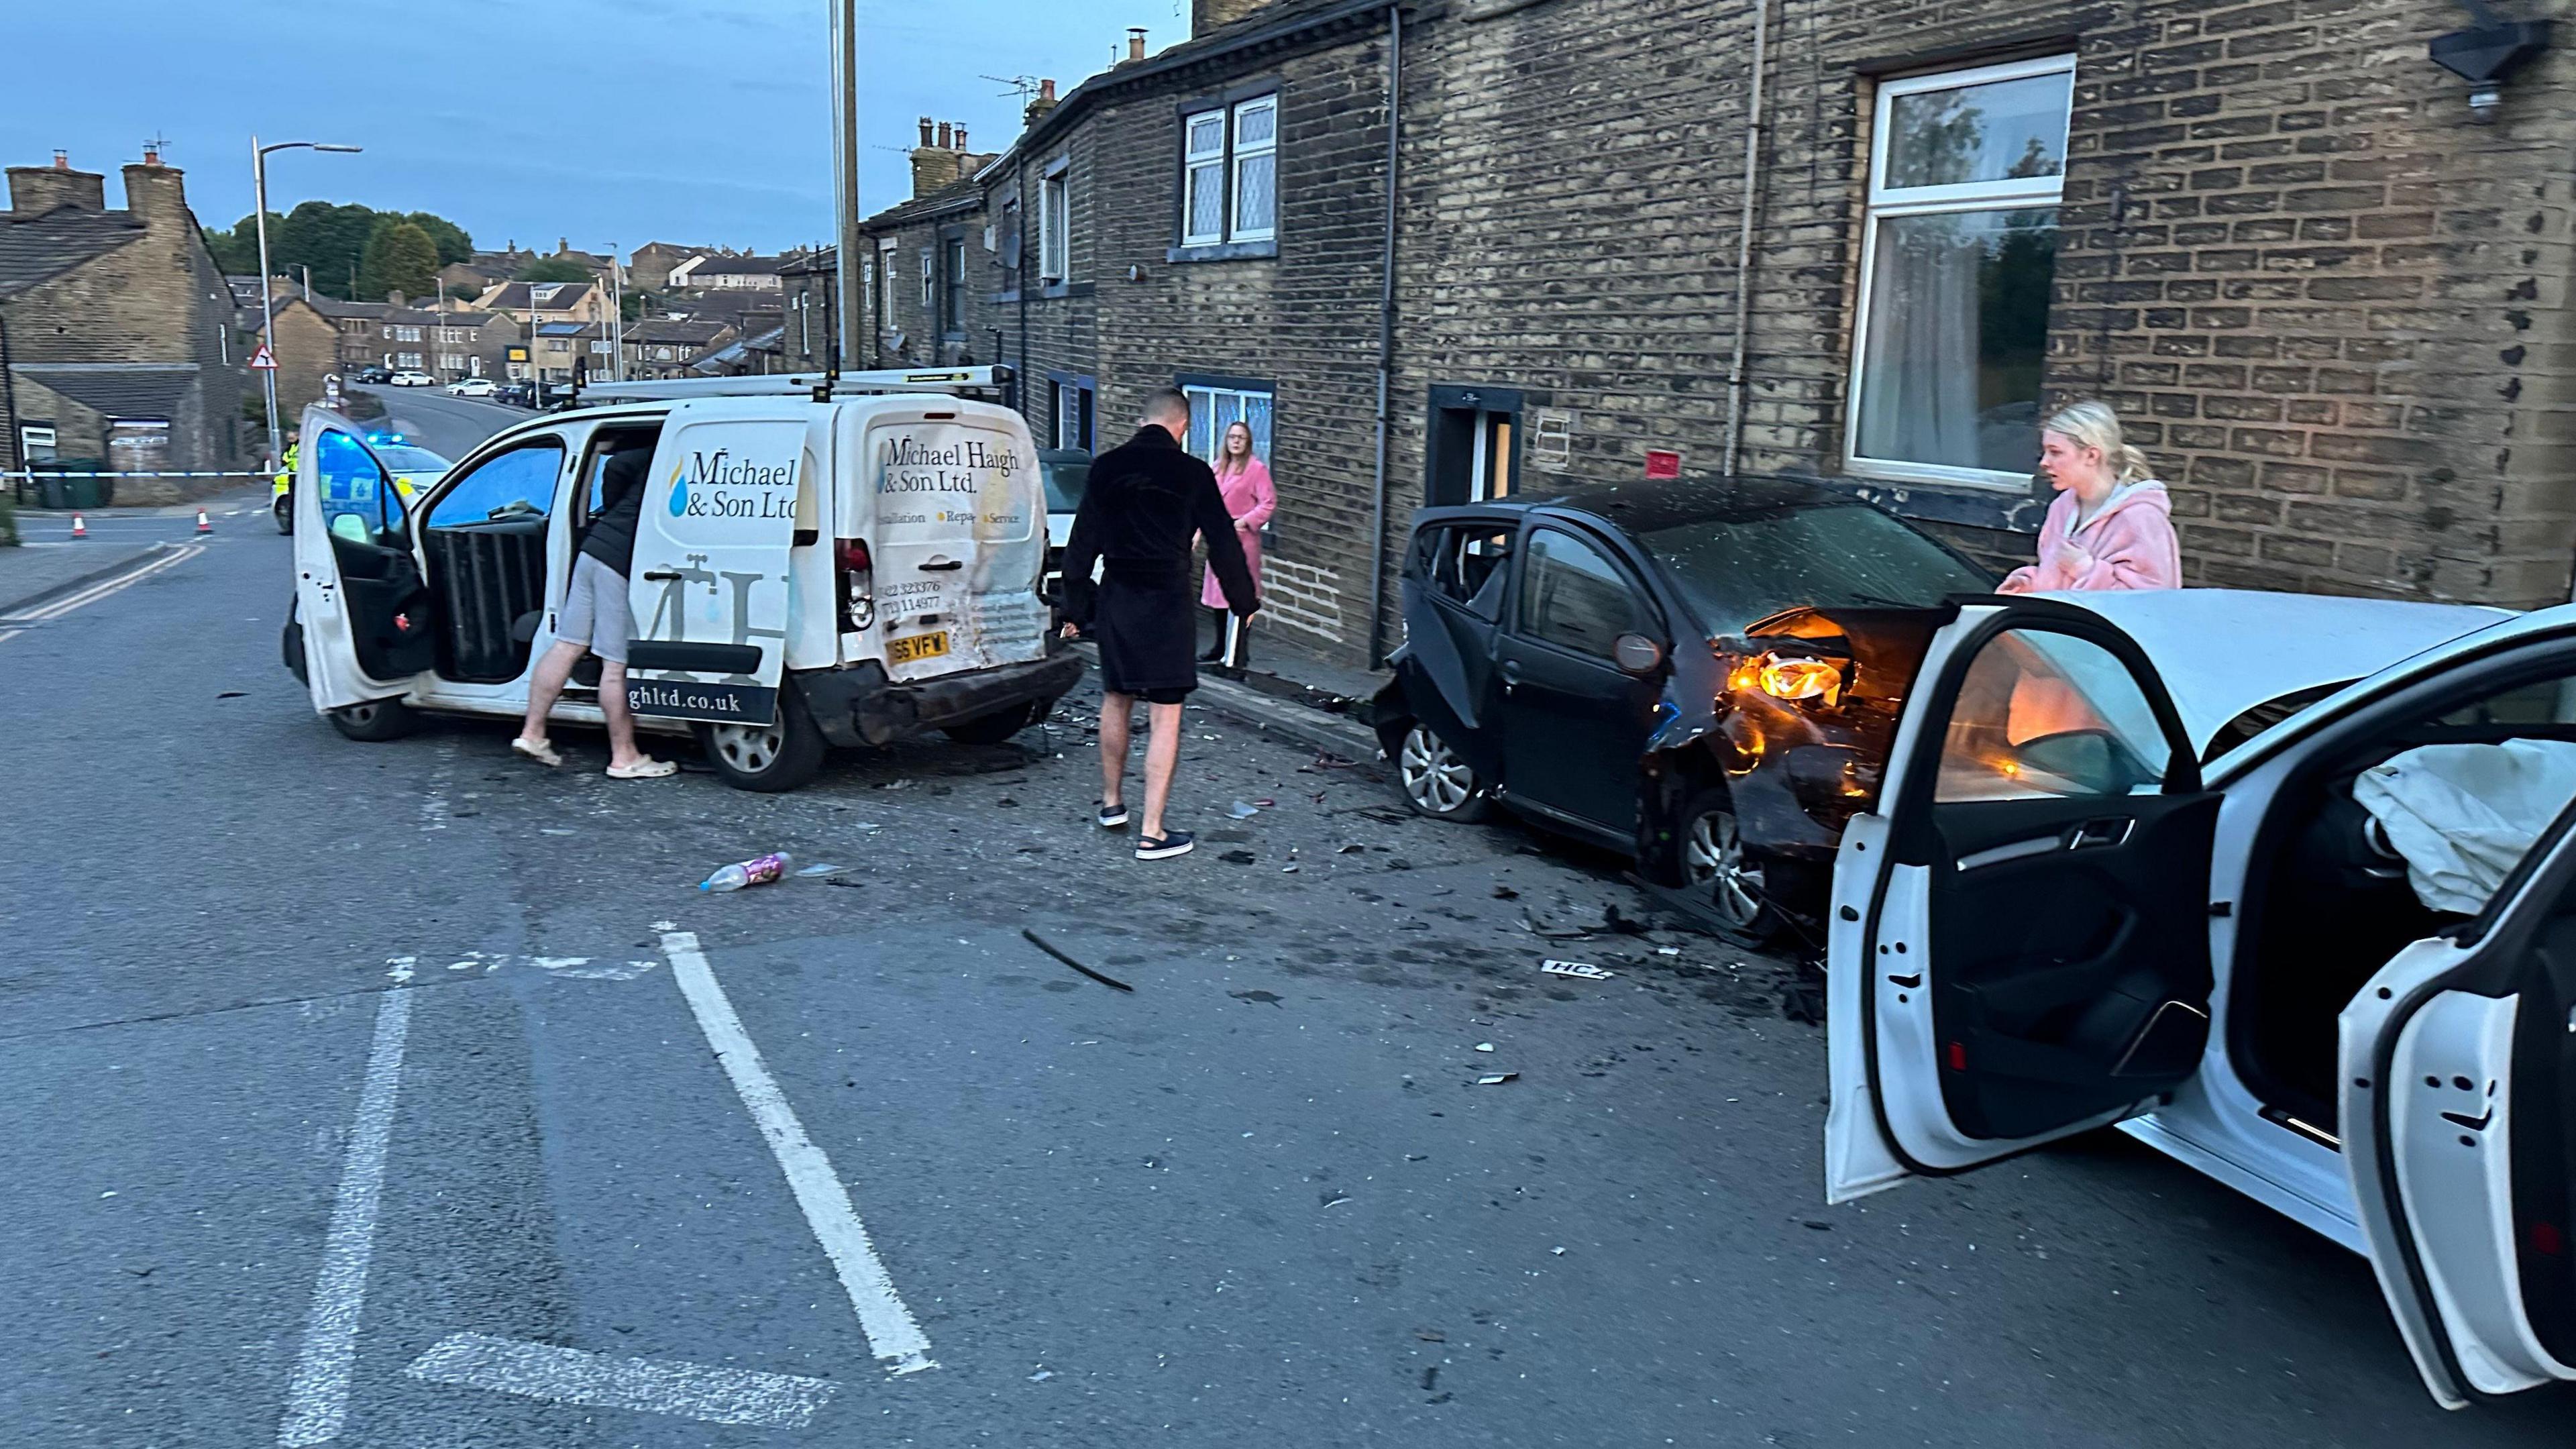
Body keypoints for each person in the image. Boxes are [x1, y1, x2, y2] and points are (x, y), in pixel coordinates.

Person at [1060, 388, 1260, 859]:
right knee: (1166, 713)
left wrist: (1076, 609)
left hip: (1118, 595)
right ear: (1183, 426)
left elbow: (1079, 547)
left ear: (1140, 419)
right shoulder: (1192, 473)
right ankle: (1152, 831)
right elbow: (1222, 543)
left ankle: (1112, 804)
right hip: (1166, 600)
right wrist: (1242, 601)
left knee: (1116, 697)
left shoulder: (1105, 467)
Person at [511, 447, 676, 779]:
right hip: (621, 557)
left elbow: (617, 465)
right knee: (615, 664)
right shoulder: (675, 450)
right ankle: (624, 757)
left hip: (595, 548)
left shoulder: (653, 452)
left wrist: (614, 506)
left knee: (568, 644)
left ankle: (532, 734)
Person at [1998, 400, 2182, 594]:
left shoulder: (2141, 518)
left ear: (2091, 456)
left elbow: (2152, 600)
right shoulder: (2062, 508)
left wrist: (2085, 568)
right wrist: (2028, 584)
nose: (2044, 462)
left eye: (2055, 452)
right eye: (2045, 452)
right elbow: (2058, 578)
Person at [1198, 419, 1277, 663]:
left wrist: (1246, 521)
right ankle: (1220, 646)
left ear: (1248, 442)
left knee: (1242, 594)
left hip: (1243, 539)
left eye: (1241, 437)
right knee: (1219, 595)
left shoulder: (1257, 469)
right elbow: (1205, 503)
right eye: (1232, 437)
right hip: (1219, 536)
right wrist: (1197, 532)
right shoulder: (1216, 468)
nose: (1236, 441)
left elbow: (1269, 502)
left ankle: (1240, 650)